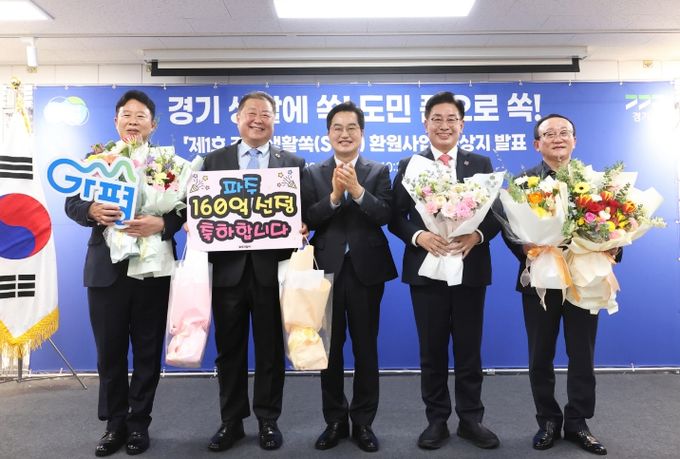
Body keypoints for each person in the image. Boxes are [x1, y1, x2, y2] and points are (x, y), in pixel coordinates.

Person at [65, 90, 184, 457]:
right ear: (116, 121)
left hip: (153, 270)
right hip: (106, 271)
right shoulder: (96, 160)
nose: (133, 121)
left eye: (141, 116)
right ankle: (114, 425)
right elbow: (72, 203)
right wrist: (91, 211)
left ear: (153, 124)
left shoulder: (169, 164)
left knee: (148, 351)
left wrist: (162, 223)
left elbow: (185, 209)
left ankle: (139, 424)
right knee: (110, 352)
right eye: (127, 115)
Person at [389, 91, 501, 451]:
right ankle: (436, 420)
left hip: (469, 268)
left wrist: (477, 235)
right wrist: (419, 235)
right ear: (425, 124)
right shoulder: (411, 165)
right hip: (426, 268)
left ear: (462, 125)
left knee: (469, 349)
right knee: (432, 349)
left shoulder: (480, 163)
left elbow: (497, 214)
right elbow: (395, 216)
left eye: (451, 119)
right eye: (436, 119)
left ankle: (471, 419)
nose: (444, 125)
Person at [202, 91, 305, 453]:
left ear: (274, 121)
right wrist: (194, 223)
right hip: (227, 272)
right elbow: (198, 209)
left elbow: (303, 211)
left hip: (271, 272)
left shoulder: (292, 163)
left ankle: (267, 420)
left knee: (270, 349)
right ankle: (231, 421)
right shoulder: (213, 161)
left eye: (265, 114)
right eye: (251, 113)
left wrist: (302, 224)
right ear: (238, 118)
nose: (258, 120)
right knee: (228, 350)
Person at [504, 114, 609, 455]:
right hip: (541, 278)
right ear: (538, 144)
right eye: (549, 134)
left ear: (575, 141)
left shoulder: (594, 182)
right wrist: (526, 247)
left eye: (565, 133)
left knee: (582, 354)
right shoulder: (522, 184)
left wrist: (613, 246)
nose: (558, 138)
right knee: (540, 354)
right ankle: (547, 421)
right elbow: (510, 229)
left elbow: (612, 222)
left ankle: (578, 422)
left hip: (584, 278)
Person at [301, 101, 397, 453]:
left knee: (365, 348)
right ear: (328, 134)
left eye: (351, 127)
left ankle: (364, 423)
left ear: (362, 133)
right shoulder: (312, 172)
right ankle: (335, 421)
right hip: (324, 270)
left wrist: (357, 191)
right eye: (337, 128)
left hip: (365, 271)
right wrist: (334, 197)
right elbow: (308, 218)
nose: (344, 134)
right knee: (329, 350)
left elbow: (385, 215)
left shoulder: (378, 170)